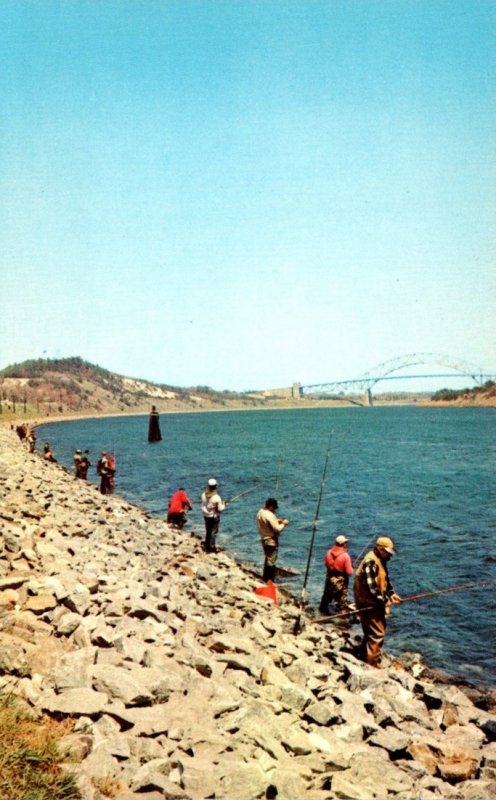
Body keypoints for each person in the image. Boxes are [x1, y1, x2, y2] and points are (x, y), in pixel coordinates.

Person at [353, 536, 402, 667]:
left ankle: (363, 658)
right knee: (377, 634)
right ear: (379, 549)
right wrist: (385, 600)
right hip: (368, 604)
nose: (390, 556)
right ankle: (371, 666)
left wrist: (391, 594)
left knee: (370, 633)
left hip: (373, 603)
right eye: (387, 552)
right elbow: (372, 589)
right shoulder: (370, 562)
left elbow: (385, 579)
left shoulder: (380, 559)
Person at [256, 497, 289, 583]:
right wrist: (284, 524)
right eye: (274, 508)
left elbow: (266, 521)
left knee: (267, 559)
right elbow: (277, 529)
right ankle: (270, 581)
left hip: (263, 539)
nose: (274, 510)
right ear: (271, 507)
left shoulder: (260, 512)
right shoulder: (270, 515)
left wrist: (277, 520)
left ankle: (265, 578)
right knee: (271, 562)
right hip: (270, 541)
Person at [319, 535, 353, 614]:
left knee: (326, 598)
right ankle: (341, 619)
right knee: (341, 601)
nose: (346, 544)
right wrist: (351, 568)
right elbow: (349, 572)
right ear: (343, 544)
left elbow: (326, 565)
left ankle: (322, 613)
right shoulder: (345, 556)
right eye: (345, 542)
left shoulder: (328, 552)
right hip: (340, 581)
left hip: (330, 578)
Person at [201, 478, 227, 553]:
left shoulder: (203, 495)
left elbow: (205, 504)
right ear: (215, 486)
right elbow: (220, 509)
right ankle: (212, 548)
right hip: (213, 516)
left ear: (208, 486)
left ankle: (207, 546)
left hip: (205, 515)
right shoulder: (217, 497)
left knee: (208, 530)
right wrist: (224, 504)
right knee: (213, 531)